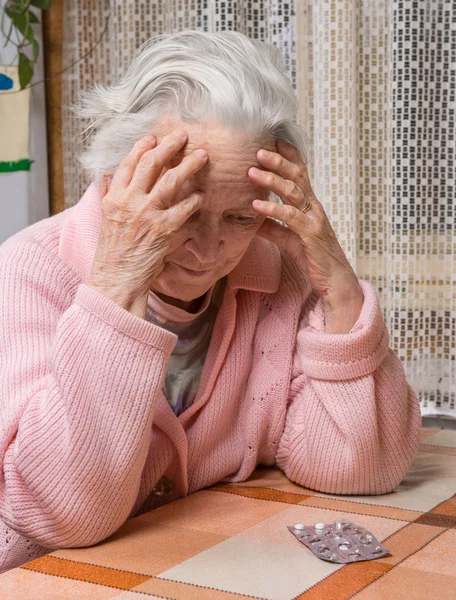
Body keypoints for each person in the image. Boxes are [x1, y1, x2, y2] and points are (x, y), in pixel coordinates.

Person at [0, 30, 421, 573]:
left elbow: (361, 467)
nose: (207, 250)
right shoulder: (29, 270)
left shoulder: (277, 277)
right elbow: (63, 515)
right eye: (182, 211)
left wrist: (338, 288)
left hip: (199, 567)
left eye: (241, 217)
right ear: (113, 178)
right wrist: (119, 279)